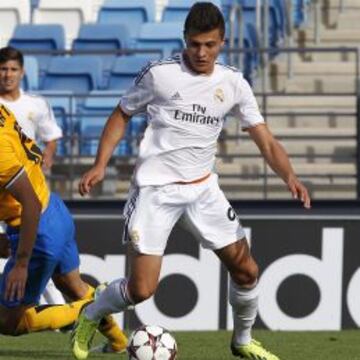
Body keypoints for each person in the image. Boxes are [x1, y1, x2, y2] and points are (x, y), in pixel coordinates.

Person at [71, 2, 311, 360]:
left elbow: (265, 138)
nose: (201, 52)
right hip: (156, 190)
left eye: (210, 45)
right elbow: (121, 114)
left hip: (203, 190)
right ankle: (91, 313)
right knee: (141, 290)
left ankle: (243, 340)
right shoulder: (159, 75)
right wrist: (100, 164)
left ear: (222, 43)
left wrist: (289, 174)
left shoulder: (233, 83)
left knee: (247, 271)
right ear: (185, 40)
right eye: (195, 44)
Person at [0, 104, 128, 353]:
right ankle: (119, 341)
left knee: (7, 320)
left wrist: (22, 263)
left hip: (35, 226)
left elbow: (30, 205)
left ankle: (90, 311)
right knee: (73, 286)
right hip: (53, 210)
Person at [0, 46, 66, 305]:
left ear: (22, 72)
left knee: (30, 253)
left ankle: (59, 311)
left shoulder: (35, 104)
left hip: (24, 186)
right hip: (3, 190)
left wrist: (48, 156)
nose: (7, 74)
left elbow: (51, 136)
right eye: (3, 68)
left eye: (13, 69)